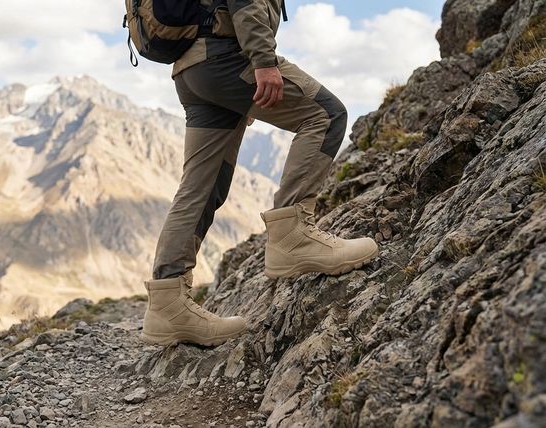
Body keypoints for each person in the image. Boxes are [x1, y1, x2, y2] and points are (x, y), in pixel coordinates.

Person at [141, 0, 379, 347]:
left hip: (193, 69)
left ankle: (167, 304)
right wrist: (263, 61)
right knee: (326, 116)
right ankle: (293, 237)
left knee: (201, 187)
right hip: (227, 55)